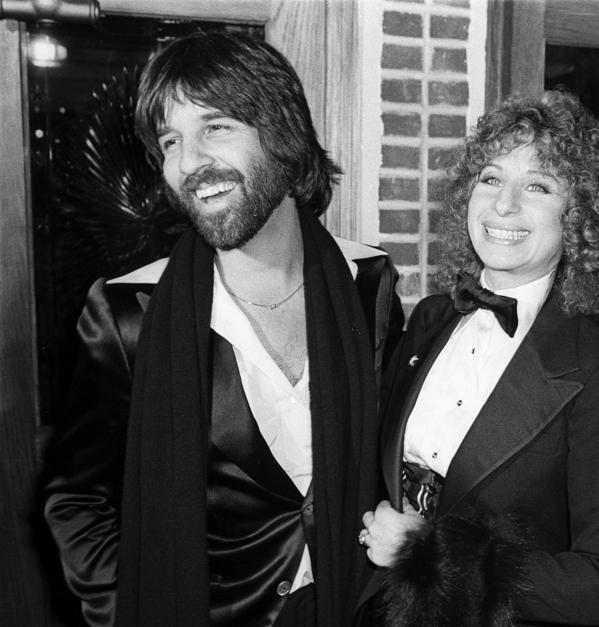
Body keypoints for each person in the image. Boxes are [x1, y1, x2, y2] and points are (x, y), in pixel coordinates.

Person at [41, 31, 402, 626]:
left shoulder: (368, 281)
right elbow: (77, 502)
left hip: (355, 606)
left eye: (216, 127)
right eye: (171, 140)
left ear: (282, 133)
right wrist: (127, 611)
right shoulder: (130, 311)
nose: (187, 163)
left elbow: (393, 452)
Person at [358, 91, 599, 626]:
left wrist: (428, 550)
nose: (504, 205)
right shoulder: (429, 319)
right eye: (491, 178)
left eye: (537, 186)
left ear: (579, 215)